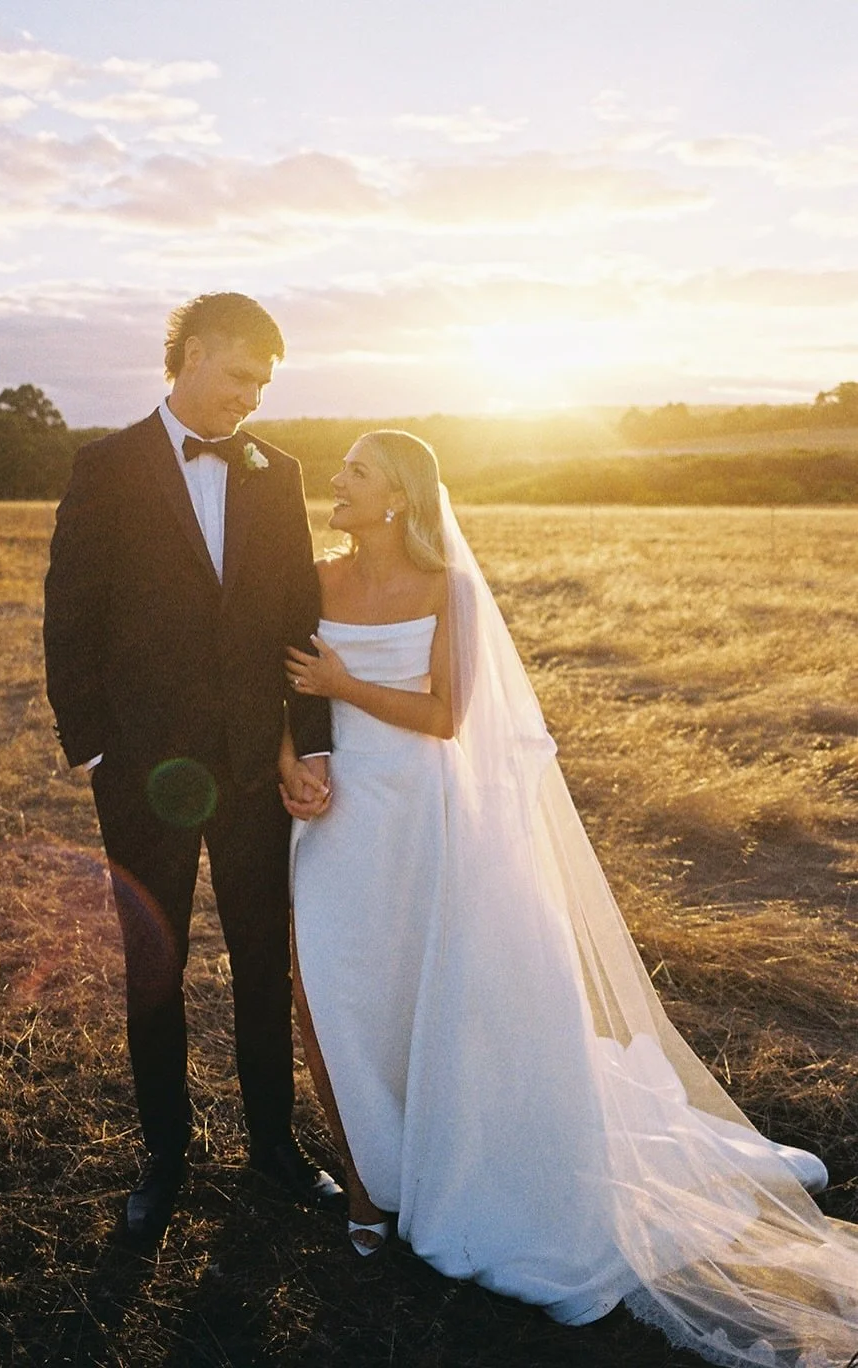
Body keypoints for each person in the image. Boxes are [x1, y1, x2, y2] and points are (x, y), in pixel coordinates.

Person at [281, 429, 858, 1366]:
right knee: (343, 999)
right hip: (338, 816)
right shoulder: (310, 574)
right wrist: (286, 760)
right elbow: (282, 691)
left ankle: (448, 1176)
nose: (335, 483)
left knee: (441, 1001)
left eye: (355, 472)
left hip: (422, 814)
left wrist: (346, 683)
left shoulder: (446, 588)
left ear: (396, 499)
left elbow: (446, 715)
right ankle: (365, 1187)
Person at [44, 292, 341, 1244]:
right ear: (194, 355)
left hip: (254, 770)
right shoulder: (106, 466)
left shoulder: (275, 471)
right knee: (153, 965)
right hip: (142, 773)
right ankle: (164, 1154)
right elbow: (70, 610)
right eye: (241, 376)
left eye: (263, 384)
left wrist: (309, 741)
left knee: (262, 957)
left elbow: (298, 617)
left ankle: (274, 1148)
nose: (251, 399)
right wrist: (91, 741)